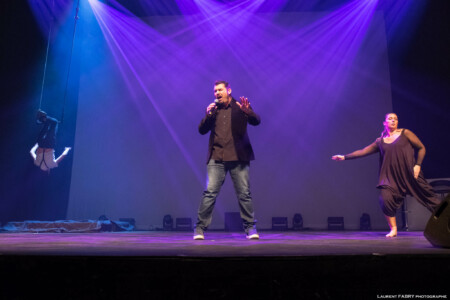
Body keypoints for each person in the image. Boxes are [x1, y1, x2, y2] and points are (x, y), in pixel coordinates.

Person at [332, 113, 441, 237]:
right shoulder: (380, 142)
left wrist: (418, 165)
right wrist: (345, 157)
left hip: (411, 174)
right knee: (385, 199)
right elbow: (363, 151)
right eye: (390, 119)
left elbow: (421, 147)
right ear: (385, 123)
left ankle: (446, 219)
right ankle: (393, 229)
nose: (393, 121)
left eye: (395, 119)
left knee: (430, 197)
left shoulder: (405, 133)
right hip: (390, 178)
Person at [194, 80, 261, 240]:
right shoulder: (214, 110)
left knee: (244, 194)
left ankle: (250, 228)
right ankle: (199, 229)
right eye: (215, 91)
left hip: (238, 157)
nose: (217, 93)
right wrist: (207, 115)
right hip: (217, 157)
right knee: (210, 193)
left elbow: (256, 121)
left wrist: (248, 112)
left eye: (220, 90)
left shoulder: (240, 106)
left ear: (229, 90)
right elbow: (201, 130)